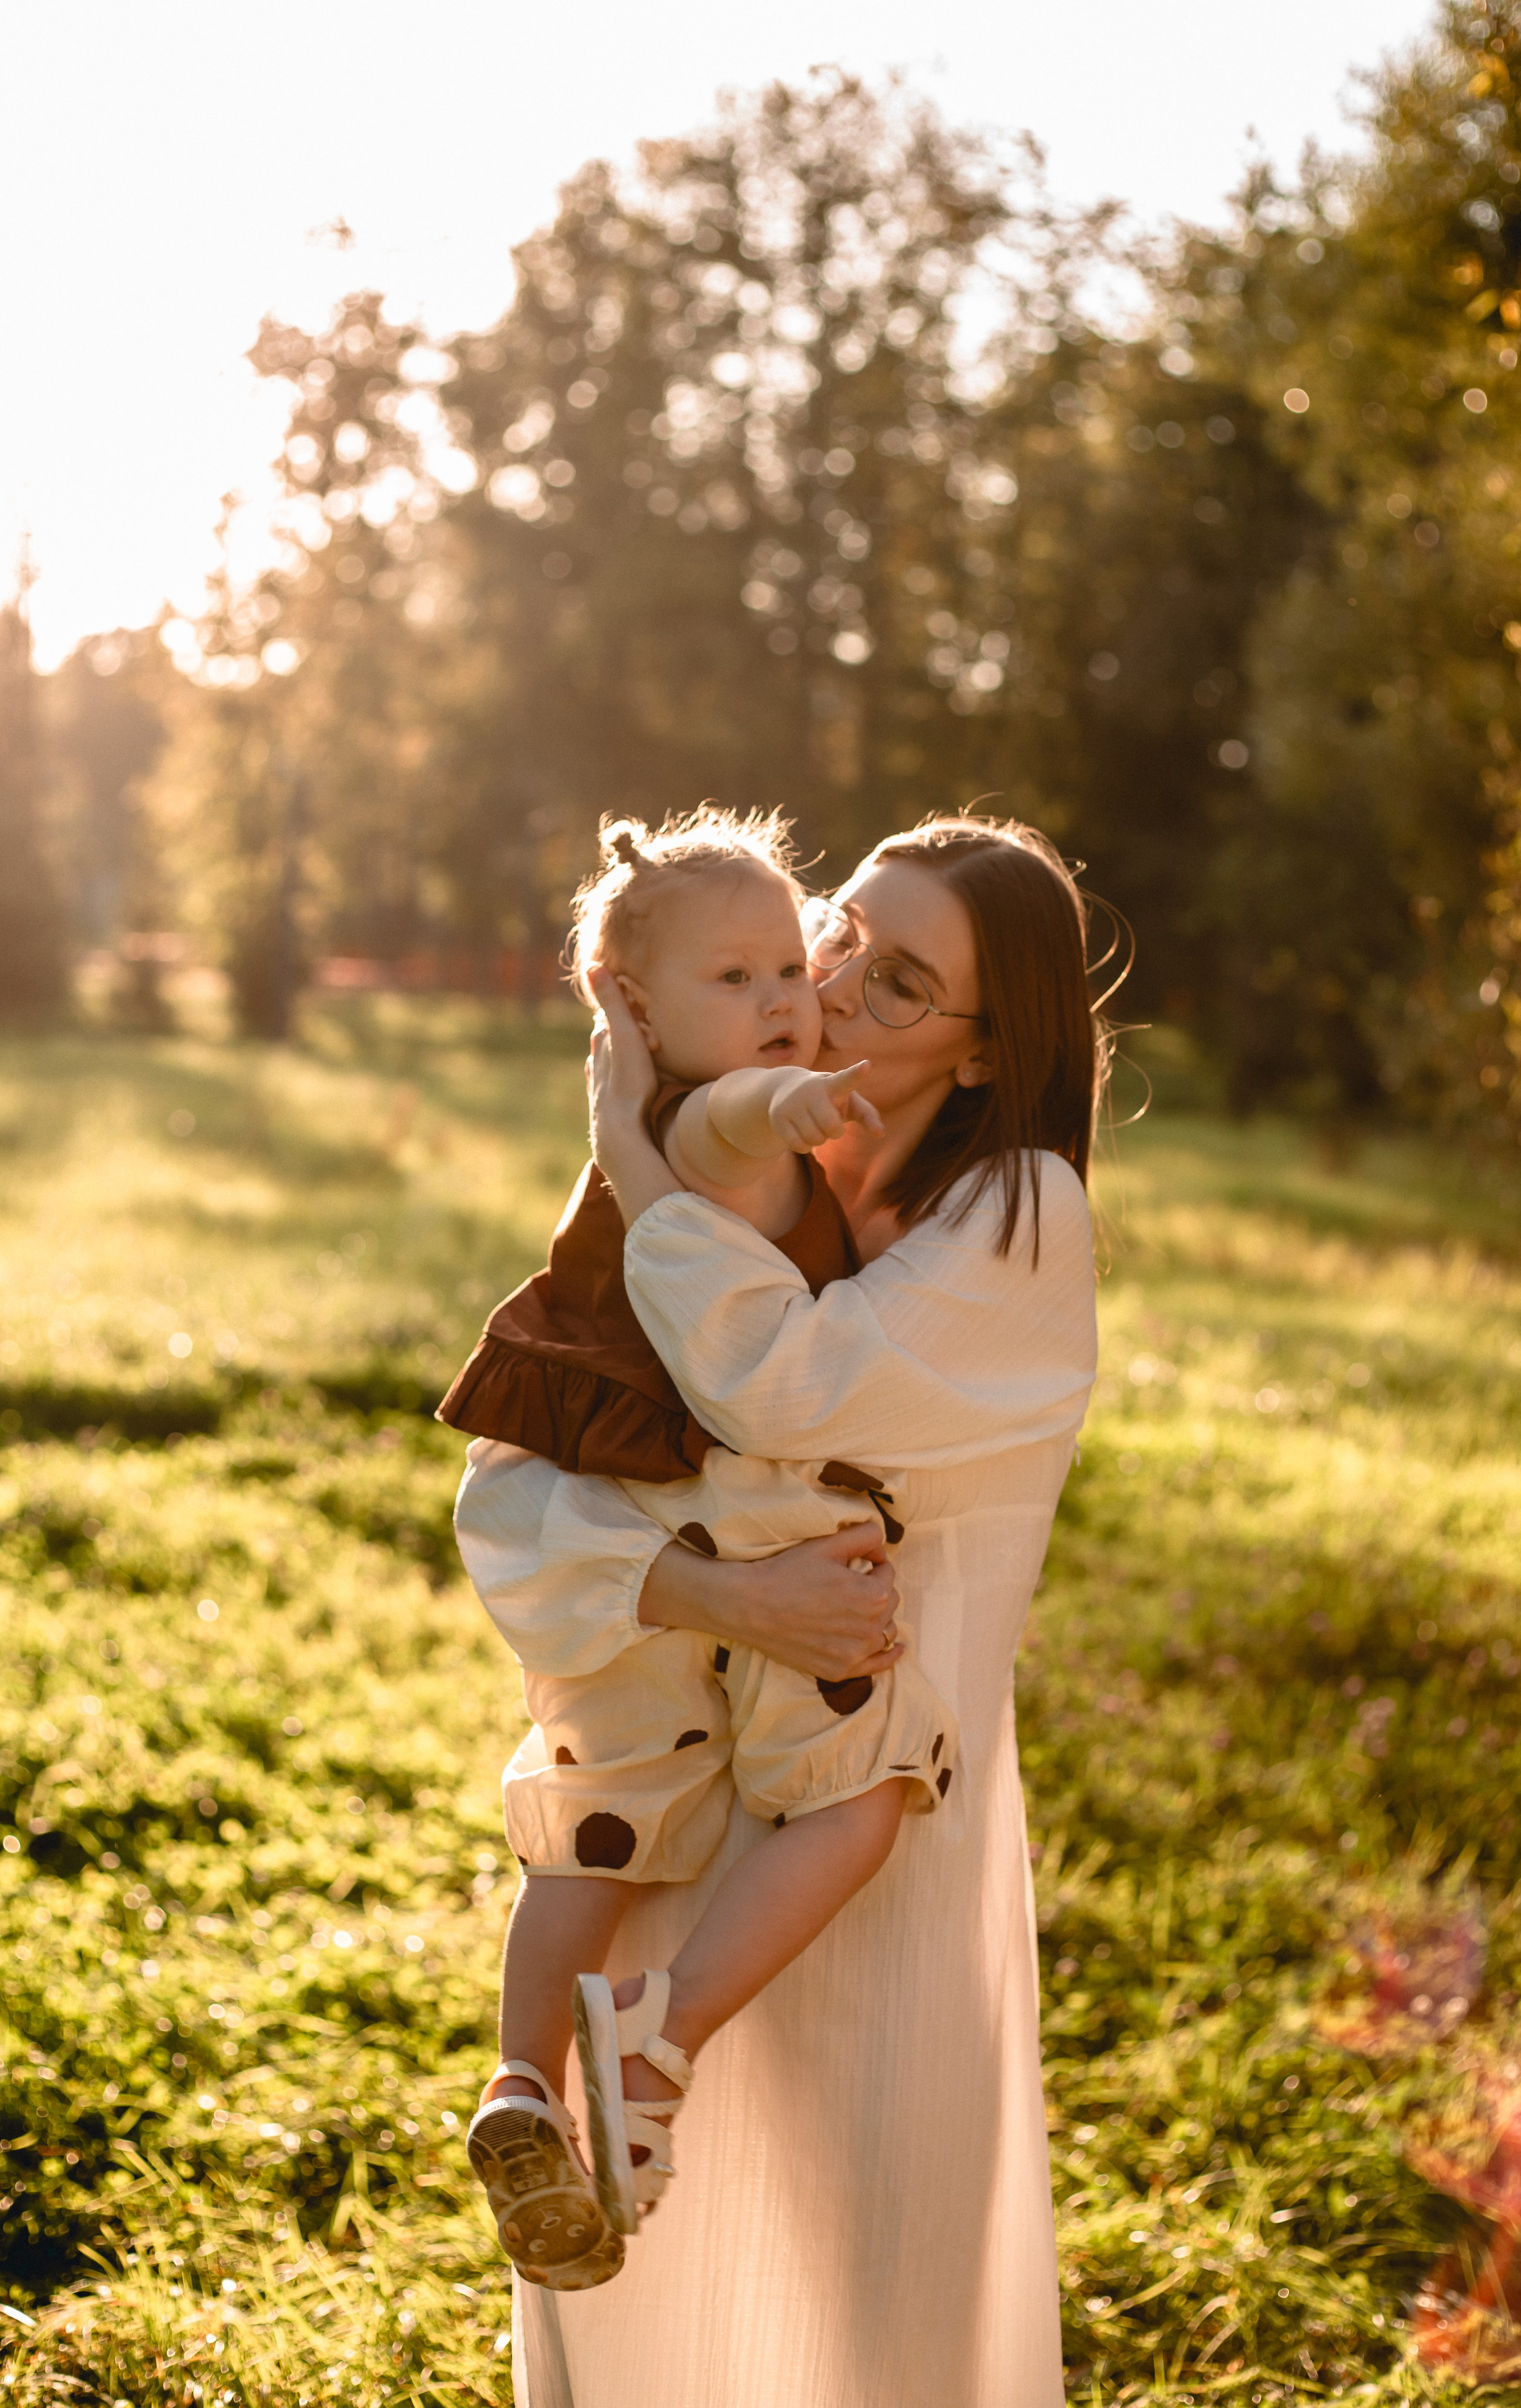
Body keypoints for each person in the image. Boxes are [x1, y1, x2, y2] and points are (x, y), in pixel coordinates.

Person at [454, 813, 1103, 2408]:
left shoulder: (1015, 1218)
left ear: (981, 1046)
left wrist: (636, 1167)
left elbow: (774, 1389)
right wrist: (716, 1594)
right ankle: (554, 2081)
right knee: (643, 2308)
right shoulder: (727, 1177)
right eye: (832, 940)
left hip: (873, 1836)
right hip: (675, 1824)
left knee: (863, 2323)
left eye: (898, 980)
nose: (827, 987)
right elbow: (514, 1494)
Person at [440, 806, 954, 2289]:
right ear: (635, 1008)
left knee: (599, 1811)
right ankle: (654, 2041)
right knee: (860, 1785)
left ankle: (521, 2084)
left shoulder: (657, 1120)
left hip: (614, 1504)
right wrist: (787, 1111)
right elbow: (722, 1129)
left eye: (786, 966)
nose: (782, 1000)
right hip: (725, 1502)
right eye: (733, 980)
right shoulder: (705, 1115)